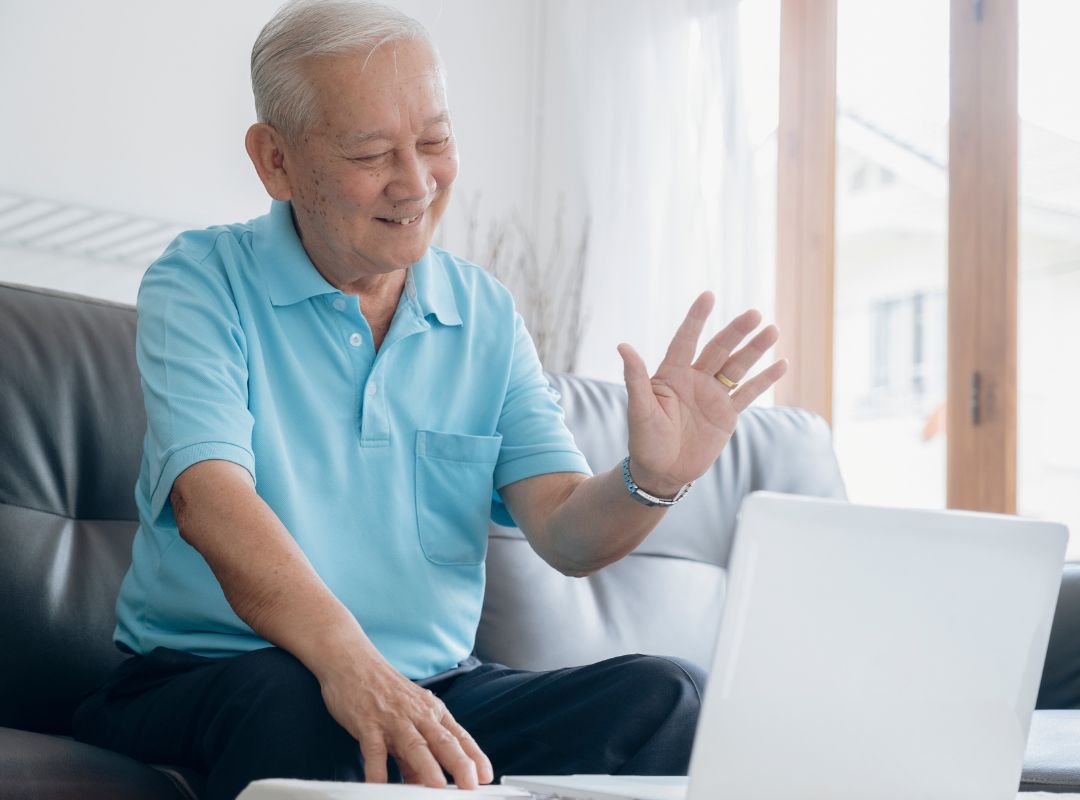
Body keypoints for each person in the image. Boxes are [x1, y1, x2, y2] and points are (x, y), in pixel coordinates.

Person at [72, 2, 787, 798]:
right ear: (275, 161)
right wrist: (352, 669)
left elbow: (563, 531)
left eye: (436, 141)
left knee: (669, 701)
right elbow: (211, 501)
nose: (416, 183)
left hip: (433, 688)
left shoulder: (483, 312)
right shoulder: (202, 281)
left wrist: (652, 479)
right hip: (211, 676)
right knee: (303, 708)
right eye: (372, 153)